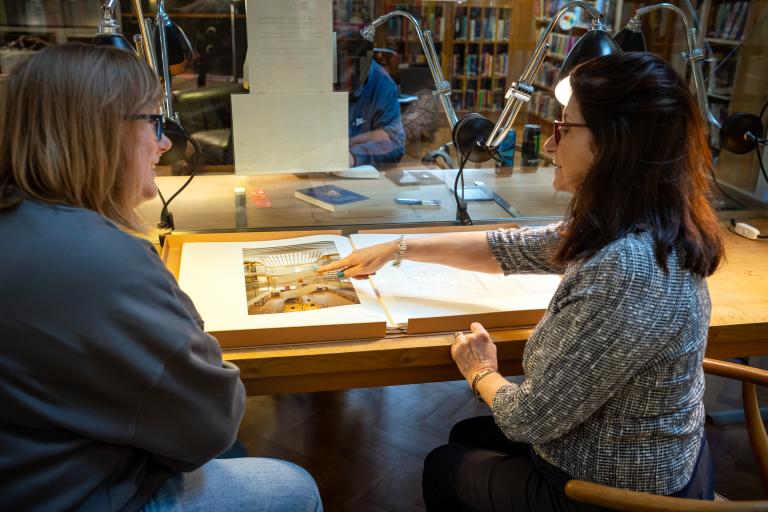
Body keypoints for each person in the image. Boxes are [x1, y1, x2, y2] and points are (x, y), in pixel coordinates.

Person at [318, 52, 724, 510]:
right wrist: (399, 246)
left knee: (444, 464)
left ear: (613, 145)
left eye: (563, 128)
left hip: (616, 490)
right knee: (467, 434)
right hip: (639, 450)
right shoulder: (646, 222)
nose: (549, 146)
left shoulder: (625, 268)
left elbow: (529, 419)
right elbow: (512, 248)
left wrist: (479, 370)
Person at [0, 43, 323, 512]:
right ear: (99, 132)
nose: (165, 142)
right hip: (77, 493)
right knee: (290, 485)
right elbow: (214, 421)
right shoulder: (103, 257)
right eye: (153, 120)